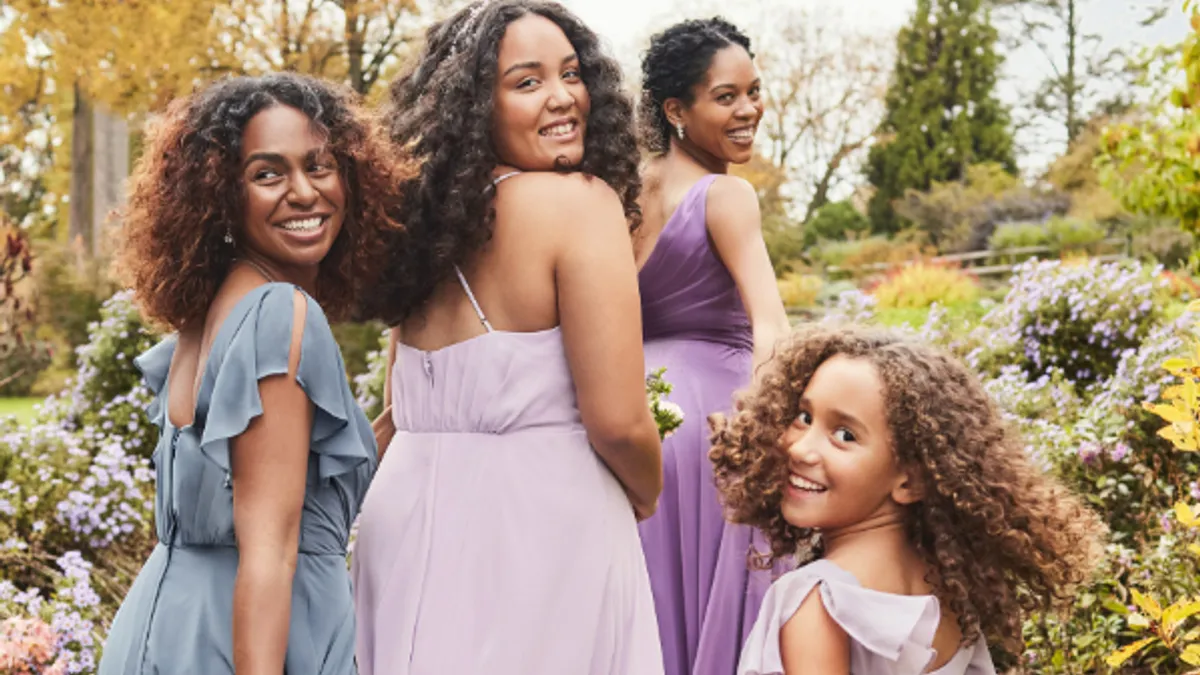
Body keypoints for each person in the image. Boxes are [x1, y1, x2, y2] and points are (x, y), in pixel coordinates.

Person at [351, 2, 663, 673]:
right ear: (473, 106)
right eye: (527, 82)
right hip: (538, 524)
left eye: (572, 74)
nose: (562, 98)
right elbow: (617, 421)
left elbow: (398, 411)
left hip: (401, 519)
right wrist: (648, 487)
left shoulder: (424, 231)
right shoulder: (579, 203)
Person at [99, 72, 405, 675]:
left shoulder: (216, 306)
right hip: (244, 643)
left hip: (169, 627)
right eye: (268, 174)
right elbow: (267, 552)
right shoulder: (277, 313)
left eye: (319, 166)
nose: (304, 191)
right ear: (222, 196)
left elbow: (283, 471)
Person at [709, 325, 1107, 675]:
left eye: (845, 435)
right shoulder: (947, 594)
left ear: (911, 480)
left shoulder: (817, 598)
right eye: (804, 416)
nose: (800, 449)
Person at [634, 17, 792, 675]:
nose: (750, 109)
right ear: (677, 110)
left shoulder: (624, 192)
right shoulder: (726, 195)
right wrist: (763, 424)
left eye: (754, 91)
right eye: (726, 97)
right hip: (715, 431)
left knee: (654, 606)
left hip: (640, 421)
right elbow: (773, 323)